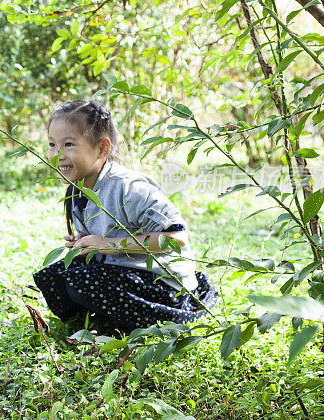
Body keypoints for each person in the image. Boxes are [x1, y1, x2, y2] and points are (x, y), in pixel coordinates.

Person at [33, 99, 217, 334]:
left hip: (166, 286)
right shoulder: (79, 188)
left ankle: (155, 317)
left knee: (81, 283)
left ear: (102, 148)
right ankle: (106, 320)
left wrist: (111, 244)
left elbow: (176, 238)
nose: (58, 154)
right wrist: (87, 243)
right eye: (52, 144)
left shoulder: (128, 188)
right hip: (125, 273)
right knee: (55, 275)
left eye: (68, 144)